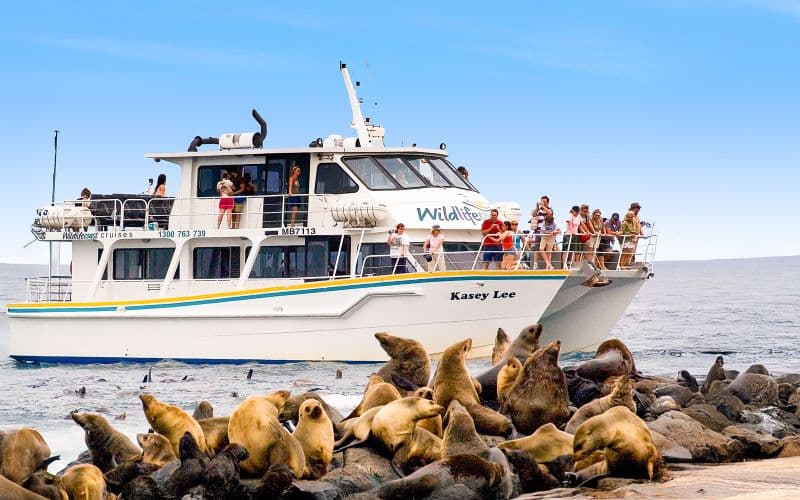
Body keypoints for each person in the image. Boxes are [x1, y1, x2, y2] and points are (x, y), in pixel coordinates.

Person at [529, 195, 553, 269]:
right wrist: (537, 207)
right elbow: (533, 215)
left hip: (546, 233)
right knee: (537, 248)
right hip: (538, 231)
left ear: (548, 202)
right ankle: (535, 264)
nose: (542, 203)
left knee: (548, 249)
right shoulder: (538, 210)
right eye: (542, 201)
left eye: (544, 202)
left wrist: (543, 207)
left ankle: (548, 265)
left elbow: (550, 213)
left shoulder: (549, 209)